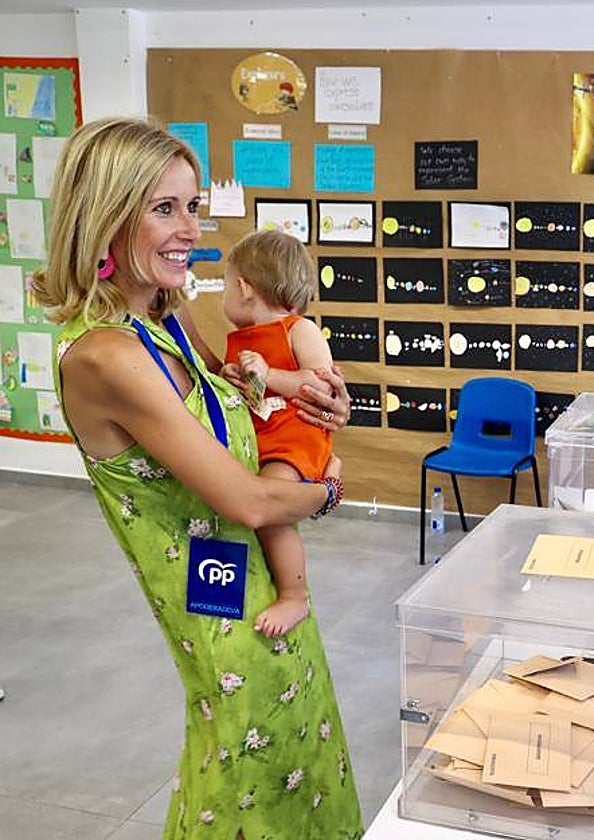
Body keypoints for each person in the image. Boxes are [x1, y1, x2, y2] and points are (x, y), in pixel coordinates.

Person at [34, 117, 363, 838]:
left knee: (296, 765)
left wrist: (310, 394)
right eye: (164, 208)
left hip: (259, 591)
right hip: (222, 616)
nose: (190, 229)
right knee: (246, 780)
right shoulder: (106, 356)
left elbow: (236, 386)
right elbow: (250, 501)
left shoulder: (166, 316)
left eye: (192, 206)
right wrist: (329, 487)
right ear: (105, 217)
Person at [217, 230, 336, 639]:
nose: (224, 297)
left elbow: (321, 385)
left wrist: (269, 375)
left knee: (271, 514)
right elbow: (253, 395)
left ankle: (294, 595)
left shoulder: (298, 330)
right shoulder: (241, 339)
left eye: (225, 286)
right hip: (262, 439)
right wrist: (235, 379)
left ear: (244, 288)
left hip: (294, 439)